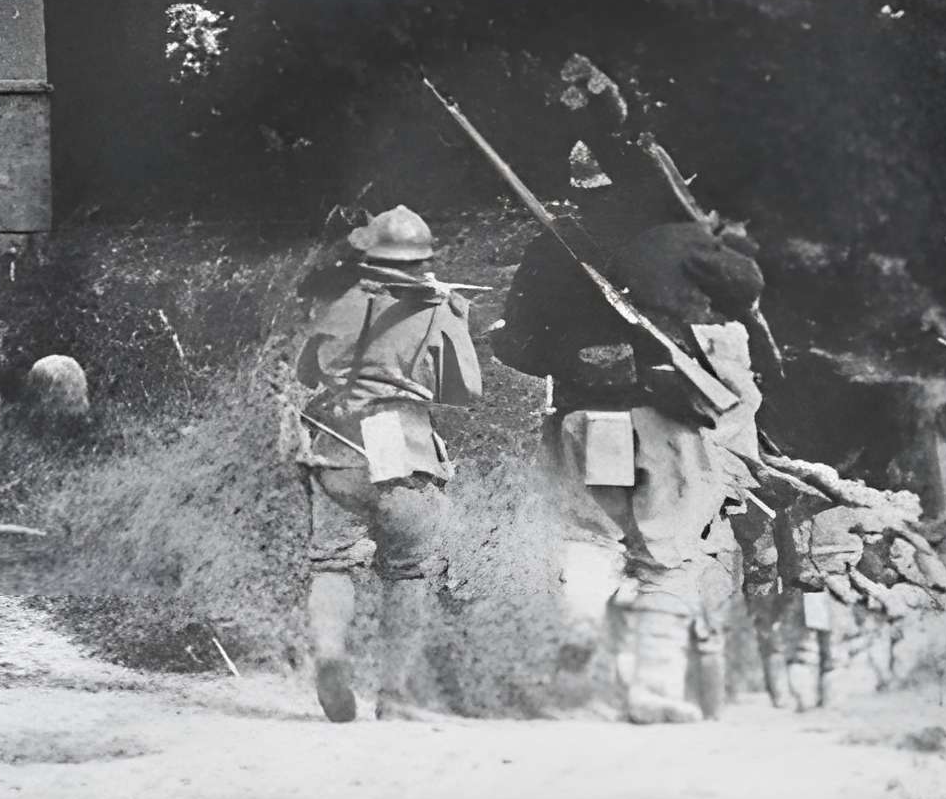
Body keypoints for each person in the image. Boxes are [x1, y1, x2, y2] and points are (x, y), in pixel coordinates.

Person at [492, 198, 768, 724]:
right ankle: (653, 687)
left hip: (582, 417)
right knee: (672, 554)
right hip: (663, 420)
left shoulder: (552, 242)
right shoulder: (679, 236)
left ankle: (576, 652)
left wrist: (573, 355)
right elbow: (746, 285)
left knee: (588, 542)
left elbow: (516, 345)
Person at [285, 206, 484, 722]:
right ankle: (394, 695)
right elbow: (467, 392)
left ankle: (330, 655)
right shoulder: (437, 310)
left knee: (331, 562)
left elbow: (309, 371)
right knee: (407, 572)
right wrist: (456, 320)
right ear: (424, 260)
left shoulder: (338, 303)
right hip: (399, 438)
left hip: (336, 440)